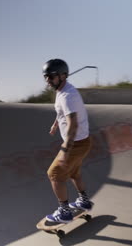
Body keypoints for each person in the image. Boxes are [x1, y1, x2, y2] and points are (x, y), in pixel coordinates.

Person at [42, 58, 94, 223]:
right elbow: (63, 112)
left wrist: (65, 151)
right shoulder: (63, 91)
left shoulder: (68, 96)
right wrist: (56, 123)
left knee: (54, 174)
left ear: (63, 75)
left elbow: (72, 124)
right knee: (74, 172)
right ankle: (84, 201)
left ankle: (64, 212)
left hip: (75, 144)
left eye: (51, 77)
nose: (48, 81)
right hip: (83, 142)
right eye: (46, 77)